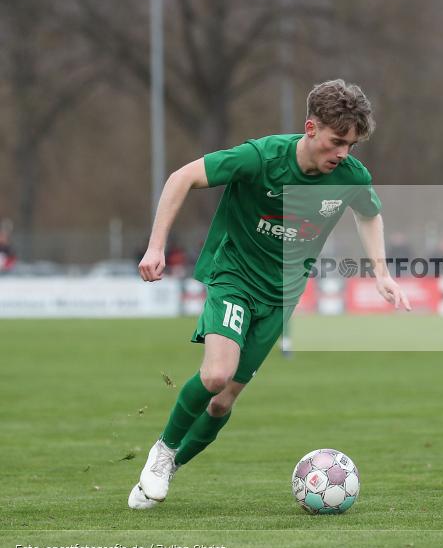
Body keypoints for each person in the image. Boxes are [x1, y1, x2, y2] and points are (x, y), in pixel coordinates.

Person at [129, 80, 411, 509]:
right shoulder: (261, 158)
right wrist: (156, 247)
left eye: (351, 145)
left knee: (222, 403)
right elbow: (181, 177)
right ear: (311, 128)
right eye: (337, 141)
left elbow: (369, 214)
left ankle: (173, 465)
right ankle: (163, 451)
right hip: (234, 276)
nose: (343, 153)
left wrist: (382, 273)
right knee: (216, 375)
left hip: (281, 295)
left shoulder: (351, 176)